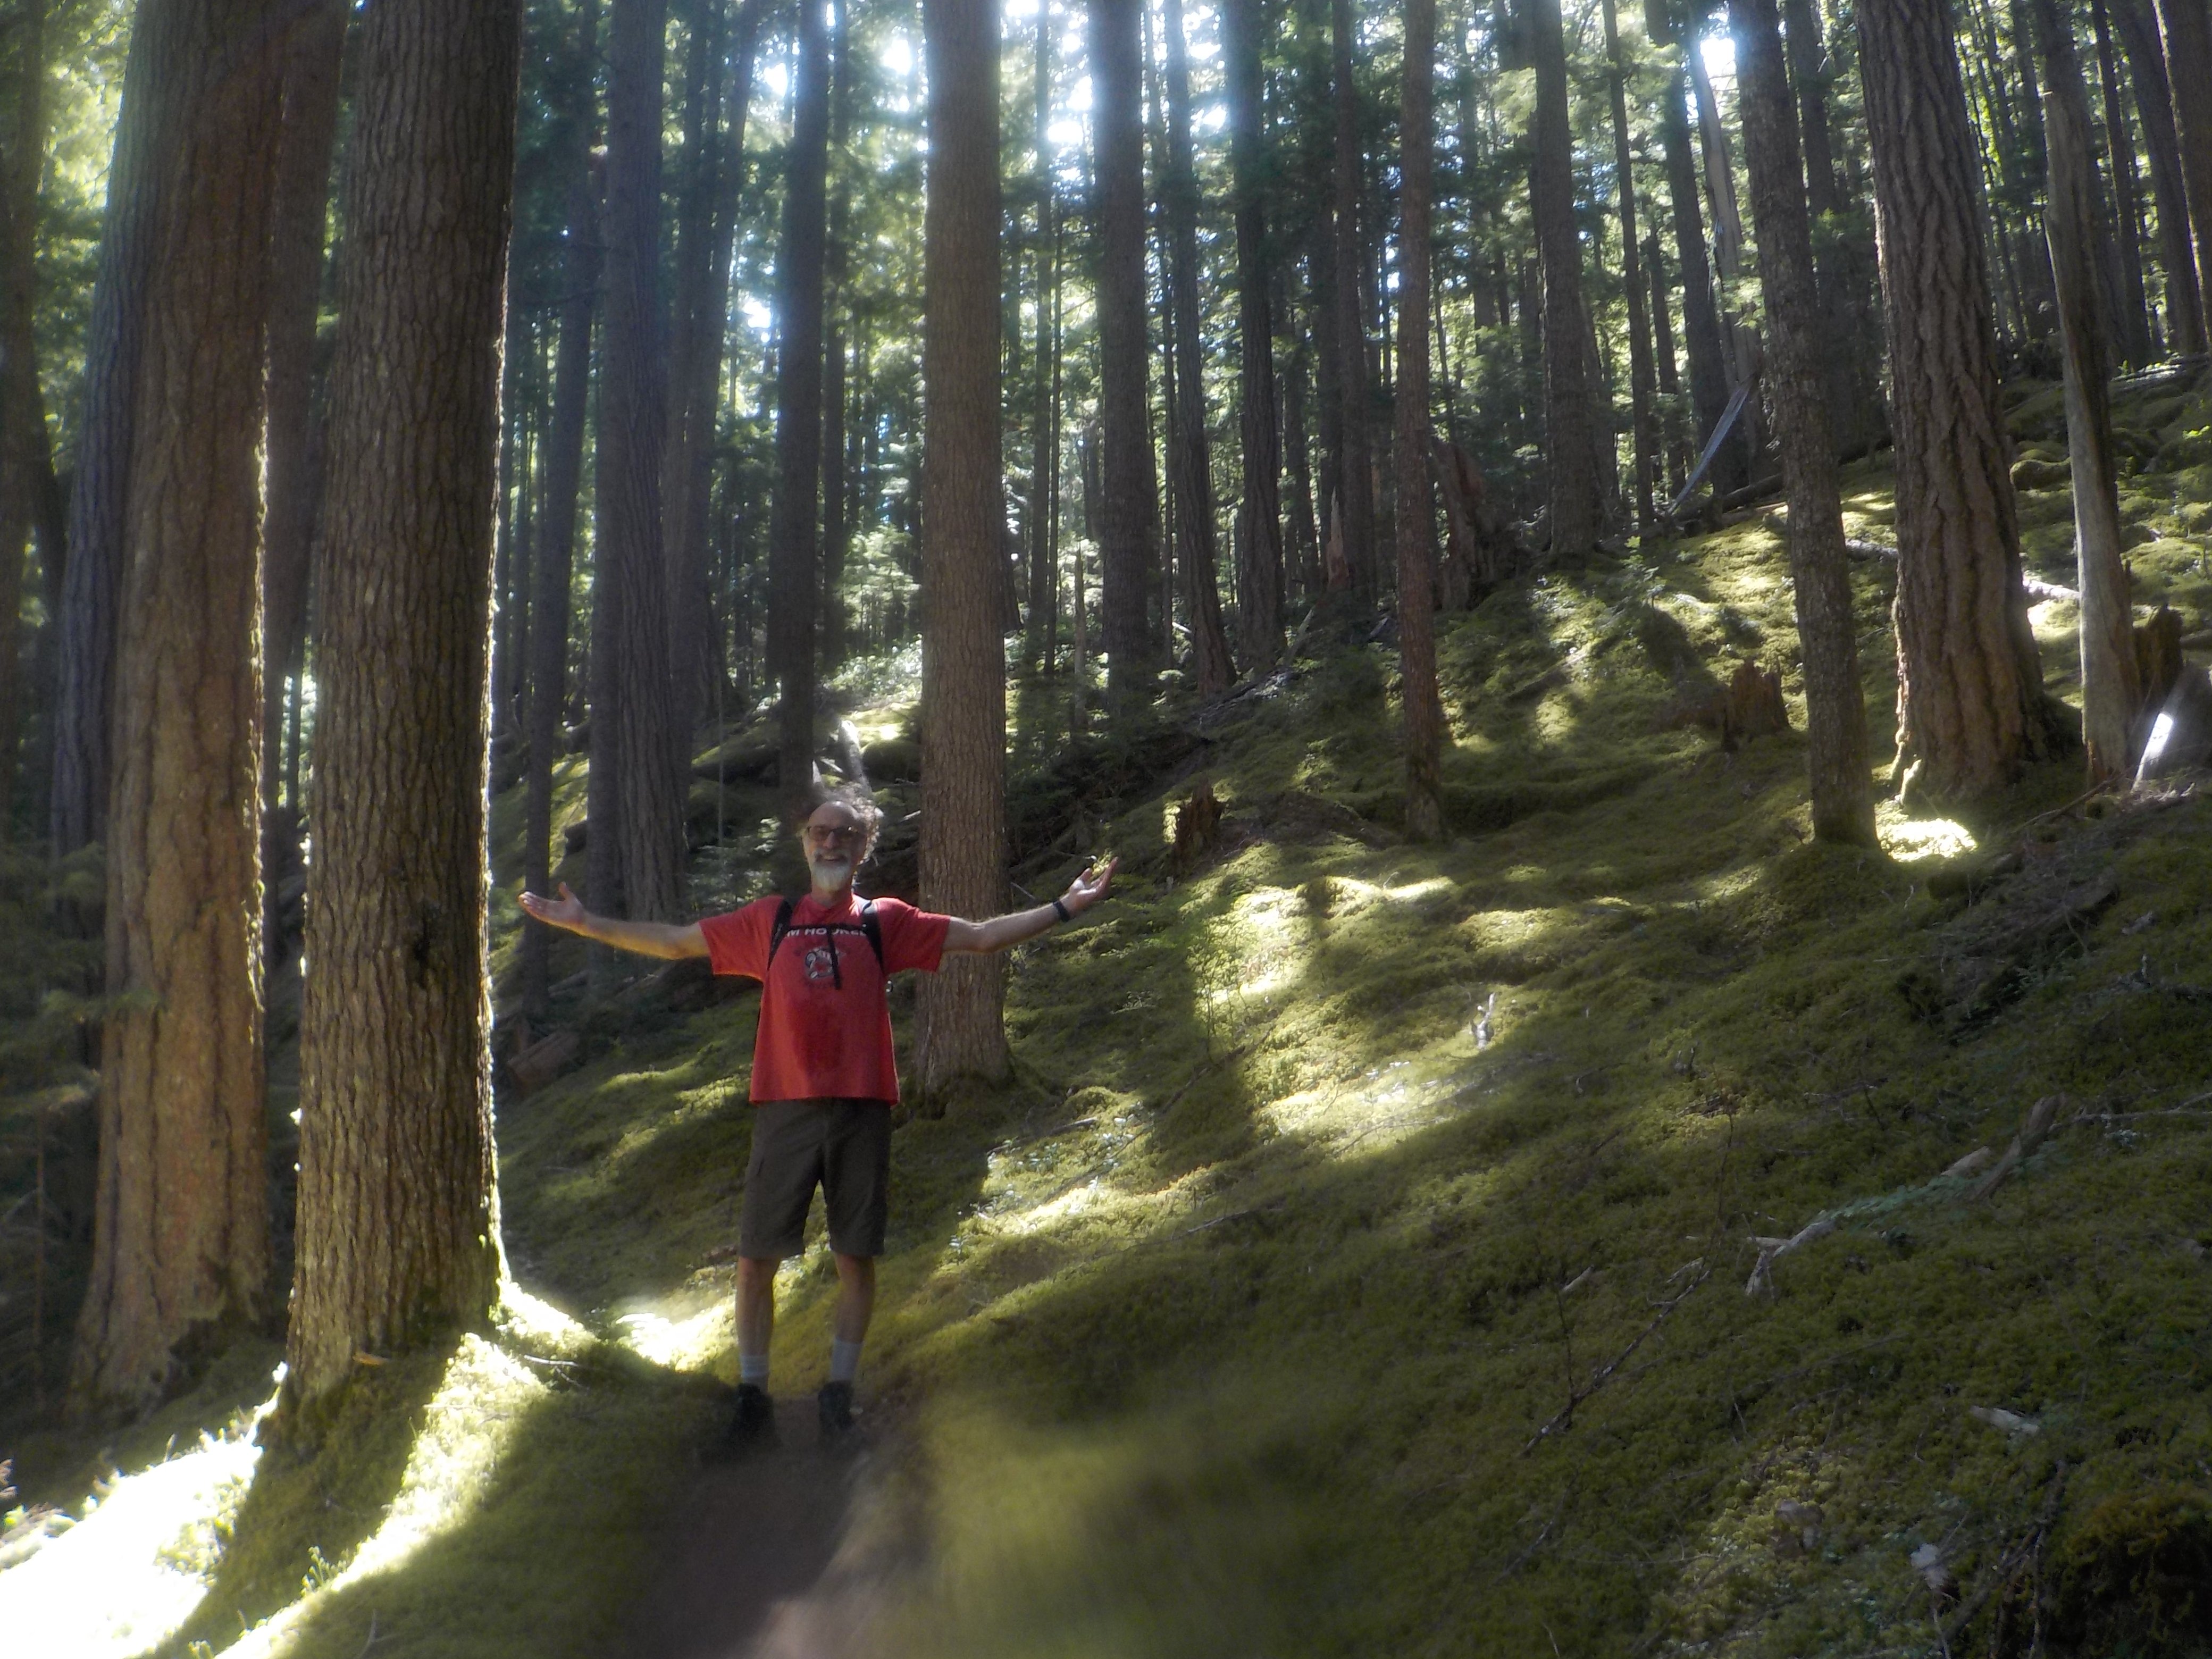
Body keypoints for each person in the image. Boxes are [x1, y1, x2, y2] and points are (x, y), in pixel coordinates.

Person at [519, 782, 1117, 1447]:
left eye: (845, 835)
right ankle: (753, 1399)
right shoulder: (770, 920)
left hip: (861, 1110)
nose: (831, 843)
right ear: (804, 842)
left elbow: (978, 937)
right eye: (821, 832)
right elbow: (675, 943)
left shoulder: (883, 921)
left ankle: (837, 1393)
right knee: (755, 1260)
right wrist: (586, 923)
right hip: (785, 1111)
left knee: (854, 1257)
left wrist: (1064, 907)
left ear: (863, 849)